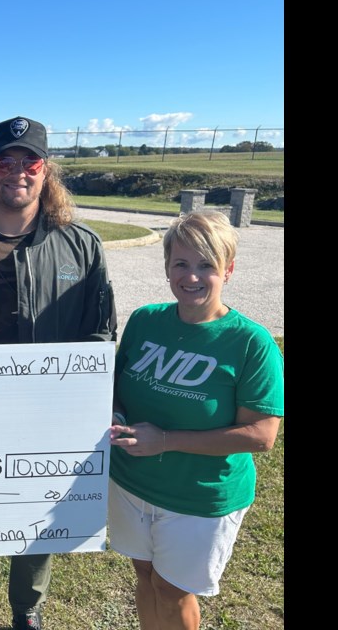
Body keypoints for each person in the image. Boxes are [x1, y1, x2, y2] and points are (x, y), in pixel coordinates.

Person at [0, 116, 117, 630]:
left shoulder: (80, 245)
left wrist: (86, 405)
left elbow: (100, 336)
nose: (17, 172)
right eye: (4, 161)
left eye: (29, 161)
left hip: (45, 416)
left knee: (36, 517)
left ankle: (26, 611)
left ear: (46, 170)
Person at [108, 211, 283, 629]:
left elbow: (262, 435)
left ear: (228, 269)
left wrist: (165, 439)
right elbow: (115, 385)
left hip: (199, 497)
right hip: (132, 484)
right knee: (146, 577)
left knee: (173, 592)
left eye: (206, 265)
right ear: (167, 267)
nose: (192, 277)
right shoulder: (146, 321)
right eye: (181, 264)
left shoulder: (250, 342)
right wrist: (115, 413)